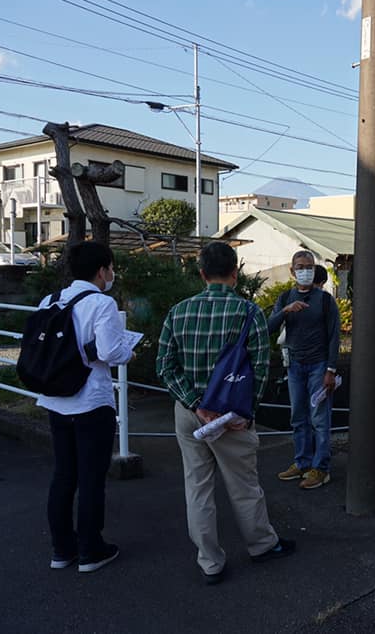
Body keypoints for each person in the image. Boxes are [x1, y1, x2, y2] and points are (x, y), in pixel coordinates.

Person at [157, 242, 295, 585]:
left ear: (202, 273)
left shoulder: (178, 311)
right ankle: (262, 545)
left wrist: (194, 403)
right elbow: (260, 369)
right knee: (244, 485)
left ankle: (210, 563)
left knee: (197, 487)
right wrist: (246, 413)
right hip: (231, 415)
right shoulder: (249, 313)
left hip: (189, 414)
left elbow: (164, 366)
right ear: (236, 272)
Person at [39, 241, 133, 573]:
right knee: (92, 478)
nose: (112, 274)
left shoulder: (49, 301)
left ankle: (61, 550)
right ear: (101, 270)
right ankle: (91, 549)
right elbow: (110, 353)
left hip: (56, 400)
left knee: (64, 475)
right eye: (110, 268)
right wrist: (129, 350)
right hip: (91, 401)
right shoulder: (101, 303)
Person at [269, 251, 340, 490]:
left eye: (309, 266)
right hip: (295, 365)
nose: (305, 270)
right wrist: (285, 311)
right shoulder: (285, 297)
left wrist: (331, 369)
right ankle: (302, 462)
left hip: (319, 366)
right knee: (298, 417)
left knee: (320, 419)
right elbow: (268, 327)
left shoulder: (325, 300)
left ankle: (321, 468)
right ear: (292, 271)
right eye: (300, 267)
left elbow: (334, 336)